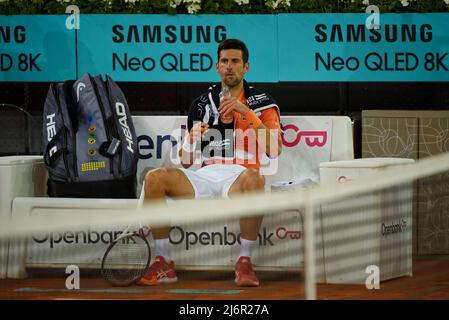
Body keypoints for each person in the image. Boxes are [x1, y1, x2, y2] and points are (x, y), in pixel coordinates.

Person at [139, 39, 282, 287]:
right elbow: (185, 162)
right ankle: (164, 261)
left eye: (235, 61)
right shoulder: (201, 104)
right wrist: (189, 141)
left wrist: (245, 113)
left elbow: (274, 149)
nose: (229, 67)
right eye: (224, 61)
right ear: (217, 66)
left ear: (246, 67)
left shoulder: (262, 102)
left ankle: (245, 261)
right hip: (206, 176)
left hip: (241, 176)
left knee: (255, 178)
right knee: (154, 177)